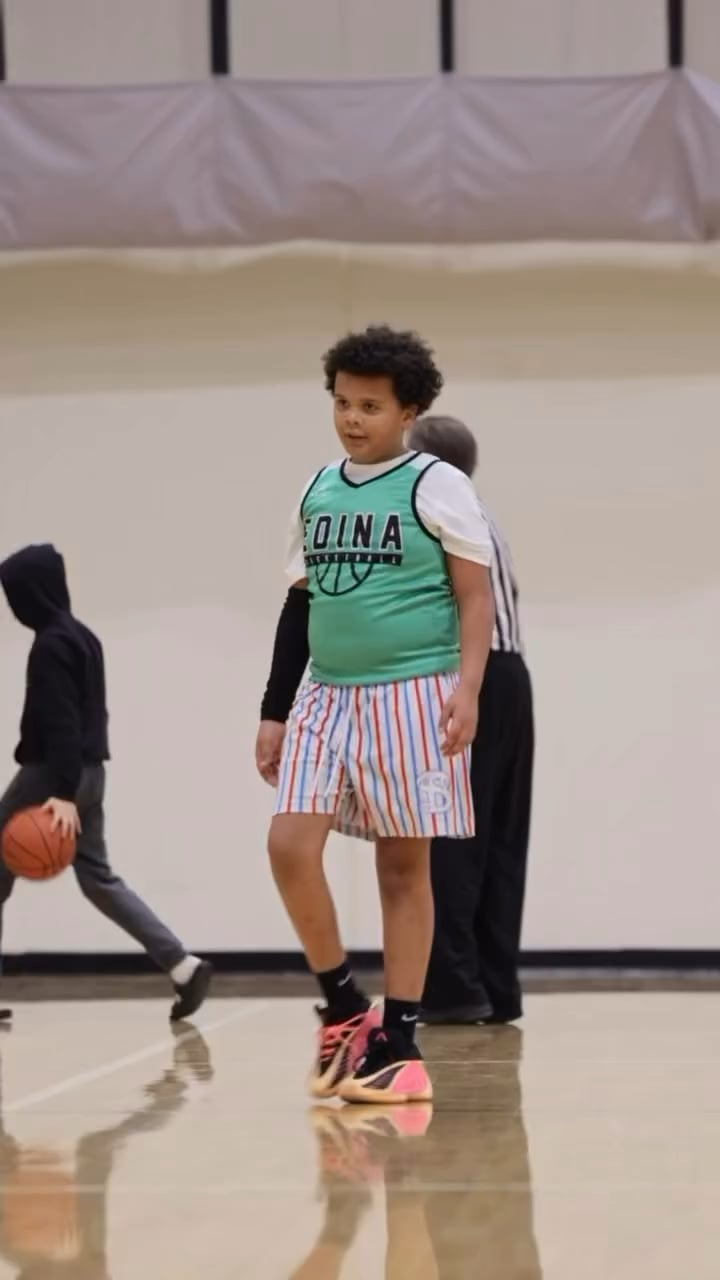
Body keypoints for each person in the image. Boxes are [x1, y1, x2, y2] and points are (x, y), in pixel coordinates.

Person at [256, 325, 495, 1104]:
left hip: (412, 693)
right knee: (289, 846)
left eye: (370, 406)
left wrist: (468, 688)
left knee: (402, 867)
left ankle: (401, 1038)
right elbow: (300, 604)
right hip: (326, 694)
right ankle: (342, 1006)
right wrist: (273, 711)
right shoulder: (317, 487)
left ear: (408, 412)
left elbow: (474, 595)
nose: (352, 419)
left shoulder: (436, 484)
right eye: (342, 403)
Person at [0, 544, 212, 1023]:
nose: (12, 606)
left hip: (51, 777)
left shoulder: (49, 645)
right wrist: (77, 786)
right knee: (99, 879)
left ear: (33, 593)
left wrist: (61, 792)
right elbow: (94, 714)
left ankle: (181, 964)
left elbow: (62, 722)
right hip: (93, 774)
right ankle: (182, 965)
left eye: (14, 595)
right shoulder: (84, 637)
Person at [409, 416, 533, 1026]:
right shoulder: (486, 516)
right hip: (513, 678)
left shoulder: (440, 517)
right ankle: (495, 987)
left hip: (470, 678)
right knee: (501, 838)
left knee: (450, 833)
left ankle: (453, 989)